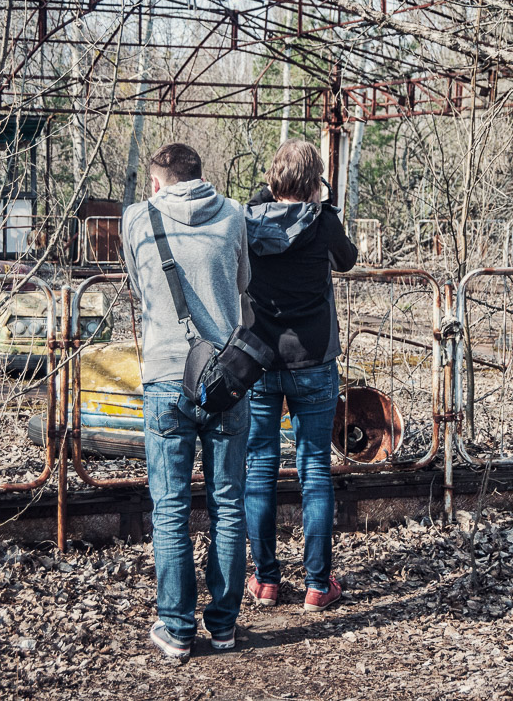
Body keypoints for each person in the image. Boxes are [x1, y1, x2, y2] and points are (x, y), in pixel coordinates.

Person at [121, 143, 251, 661]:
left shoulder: (137, 219)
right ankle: (223, 626)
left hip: (166, 378)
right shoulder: (235, 215)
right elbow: (243, 286)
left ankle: (176, 629)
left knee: (170, 510)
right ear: (201, 176)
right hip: (225, 379)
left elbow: (140, 289)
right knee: (227, 506)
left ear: (158, 183)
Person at [242, 139, 358, 612]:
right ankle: (316, 584)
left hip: (260, 360)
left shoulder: (249, 222)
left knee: (259, 467)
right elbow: (348, 259)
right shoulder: (324, 223)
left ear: (272, 181)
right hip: (313, 360)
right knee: (314, 471)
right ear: (315, 182)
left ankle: (266, 581)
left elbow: (256, 205)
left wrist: (265, 195)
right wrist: (321, 204)